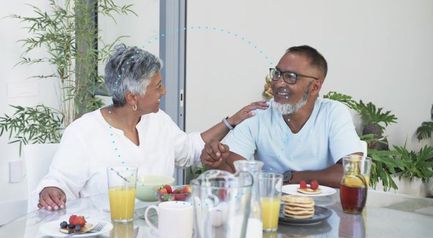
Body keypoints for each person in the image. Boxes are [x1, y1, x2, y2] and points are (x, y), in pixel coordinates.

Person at [36, 44, 268, 210]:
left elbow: (190, 149)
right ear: (132, 97)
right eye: (157, 86)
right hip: (105, 236)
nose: (164, 91)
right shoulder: (84, 131)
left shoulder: (158, 121)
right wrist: (51, 191)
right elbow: (57, 182)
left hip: (159, 228)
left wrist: (231, 121)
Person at [201, 45, 362, 188]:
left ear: (314, 87)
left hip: (325, 212)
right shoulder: (259, 114)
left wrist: (294, 177)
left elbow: (352, 173)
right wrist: (217, 161)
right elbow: (233, 170)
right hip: (272, 210)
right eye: (277, 74)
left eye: (290, 77)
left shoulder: (333, 113)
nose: (278, 83)